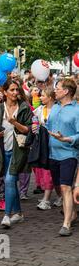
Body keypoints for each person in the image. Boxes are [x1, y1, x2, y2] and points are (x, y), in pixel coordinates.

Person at [0, 79, 32, 229]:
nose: (15, 93)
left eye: (17, 90)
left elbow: (28, 130)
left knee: (9, 180)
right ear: (5, 92)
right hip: (4, 149)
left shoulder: (24, 107)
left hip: (19, 150)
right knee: (11, 182)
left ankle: (7, 215)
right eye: (12, 90)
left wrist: (14, 122)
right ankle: (19, 213)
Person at [45, 78, 79, 236]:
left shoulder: (77, 110)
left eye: (57, 88)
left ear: (66, 91)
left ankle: (66, 224)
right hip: (53, 153)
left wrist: (67, 139)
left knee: (66, 187)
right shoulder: (55, 107)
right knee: (59, 187)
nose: (55, 90)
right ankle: (72, 212)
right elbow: (50, 127)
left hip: (69, 153)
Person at [33, 88, 62, 210]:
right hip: (43, 145)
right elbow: (34, 120)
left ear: (50, 97)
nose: (40, 97)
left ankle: (46, 200)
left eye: (43, 95)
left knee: (50, 172)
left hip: (55, 145)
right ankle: (61, 196)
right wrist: (34, 126)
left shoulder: (58, 110)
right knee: (48, 172)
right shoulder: (39, 110)